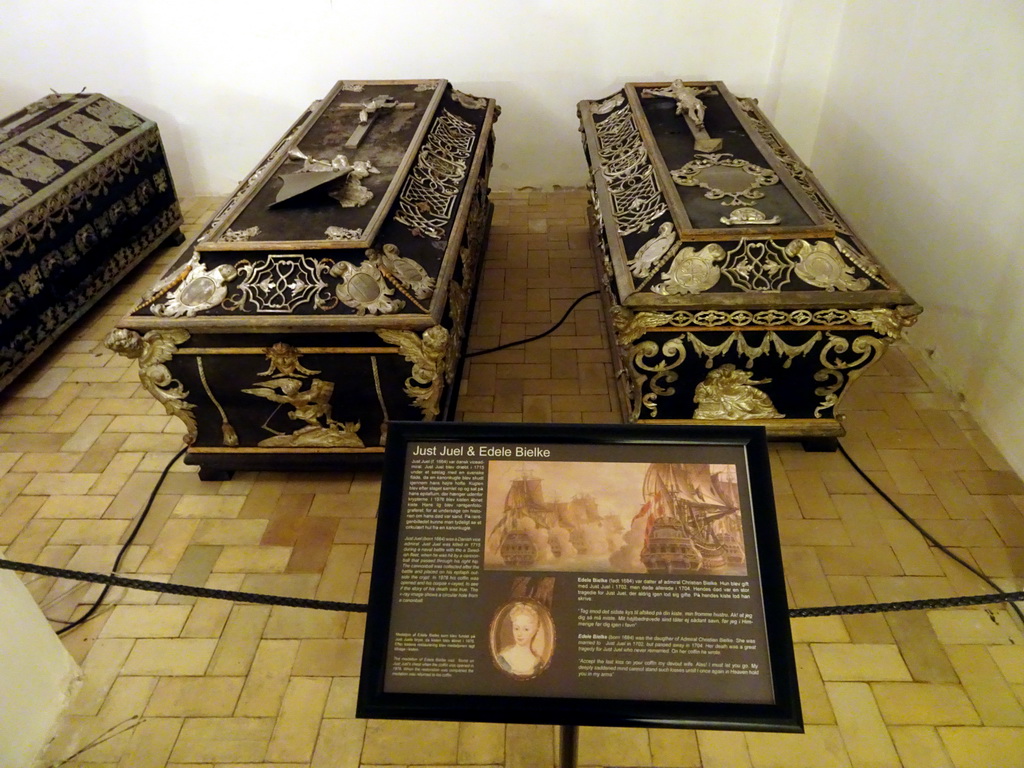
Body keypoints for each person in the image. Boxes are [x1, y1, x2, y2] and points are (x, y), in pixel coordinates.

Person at [497, 602, 544, 677]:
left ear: (535, 630)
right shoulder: (503, 659)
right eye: (516, 628)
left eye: (526, 629)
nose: (519, 634)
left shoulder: (538, 665)